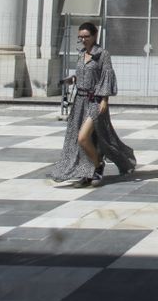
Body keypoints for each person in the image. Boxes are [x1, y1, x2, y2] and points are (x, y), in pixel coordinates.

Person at [49, 21, 135, 186]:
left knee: (83, 138)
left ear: (95, 35)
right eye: (80, 37)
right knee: (83, 139)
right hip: (79, 101)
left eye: (86, 36)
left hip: (95, 101)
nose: (83, 40)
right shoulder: (81, 54)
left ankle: (98, 165)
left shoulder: (103, 54)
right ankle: (86, 171)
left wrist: (105, 99)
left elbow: (107, 77)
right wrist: (71, 79)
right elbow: (81, 75)